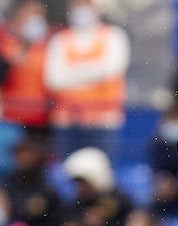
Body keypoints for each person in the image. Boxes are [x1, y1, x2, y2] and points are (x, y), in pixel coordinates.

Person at [43, 0, 130, 159]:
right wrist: (95, 71)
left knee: (102, 174)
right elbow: (53, 80)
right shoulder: (60, 40)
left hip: (104, 122)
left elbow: (113, 70)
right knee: (67, 172)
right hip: (67, 121)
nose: (81, 10)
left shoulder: (113, 36)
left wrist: (72, 72)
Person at [0, 1, 52, 130]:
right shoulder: (5, 44)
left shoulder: (49, 47)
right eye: (30, 14)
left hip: (41, 119)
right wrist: (25, 43)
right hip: (10, 118)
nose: (35, 19)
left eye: (39, 14)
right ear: (18, 18)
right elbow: (2, 71)